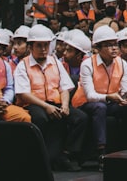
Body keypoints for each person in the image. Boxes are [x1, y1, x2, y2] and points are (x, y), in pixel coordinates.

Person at [13, 24, 87, 172]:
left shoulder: (55, 62)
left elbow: (64, 87)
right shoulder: (23, 65)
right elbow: (23, 93)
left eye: (46, 45)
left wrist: (65, 105)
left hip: (57, 102)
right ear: (31, 46)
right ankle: (40, 157)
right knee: (41, 118)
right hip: (34, 104)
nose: (43, 49)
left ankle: (65, 154)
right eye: (39, 45)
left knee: (81, 118)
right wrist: (46, 106)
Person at [73, 26, 127, 169]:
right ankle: (102, 153)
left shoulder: (122, 63)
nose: (113, 48)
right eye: (108, 45)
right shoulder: (88, 64)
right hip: (87, 103)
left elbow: (126, 89)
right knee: (100, 108)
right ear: (98, 48)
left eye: (114, 44)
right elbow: (90, 95)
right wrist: (109, 97)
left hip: (112, 101)